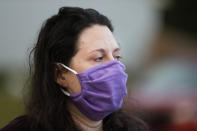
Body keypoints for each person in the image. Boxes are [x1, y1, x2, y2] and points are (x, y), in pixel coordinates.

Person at [0, 7, 149, 131]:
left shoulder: (135, 128)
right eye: (98, 58)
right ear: (60, 74)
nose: (115, 68)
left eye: (117, 57)